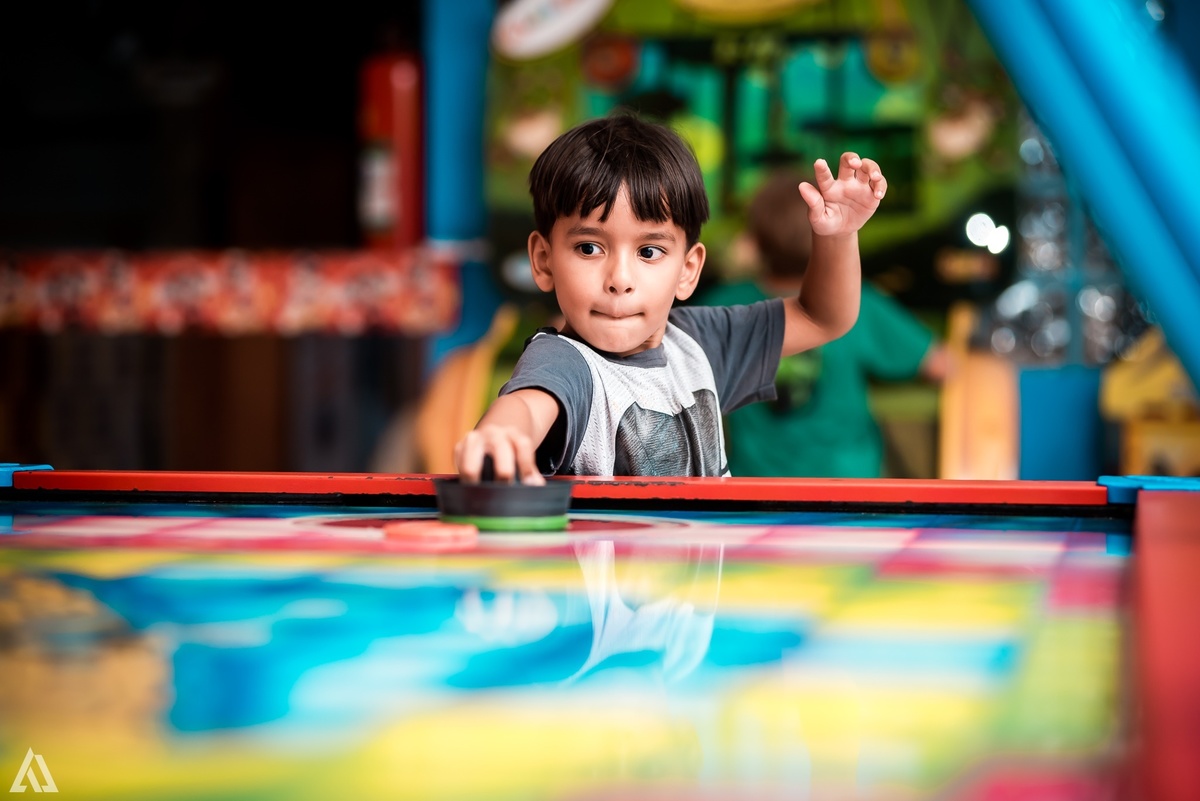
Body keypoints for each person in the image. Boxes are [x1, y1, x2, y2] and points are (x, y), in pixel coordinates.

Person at [453, 114, 887, 483]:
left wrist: (838, 237)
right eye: (589, 248)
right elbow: (526, 407)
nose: (620, 279)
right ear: (544, 261)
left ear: (688, 270)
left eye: (649, 252)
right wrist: (499, 435)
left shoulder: (701, 344)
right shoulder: (566, 363)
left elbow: (822, 317)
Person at [703, 170, 949, 477]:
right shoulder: (859, 301)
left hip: (755, 485)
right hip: (848, 487)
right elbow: (940, 365)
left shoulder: (722, 304)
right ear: (829, 233)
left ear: (755, 241)